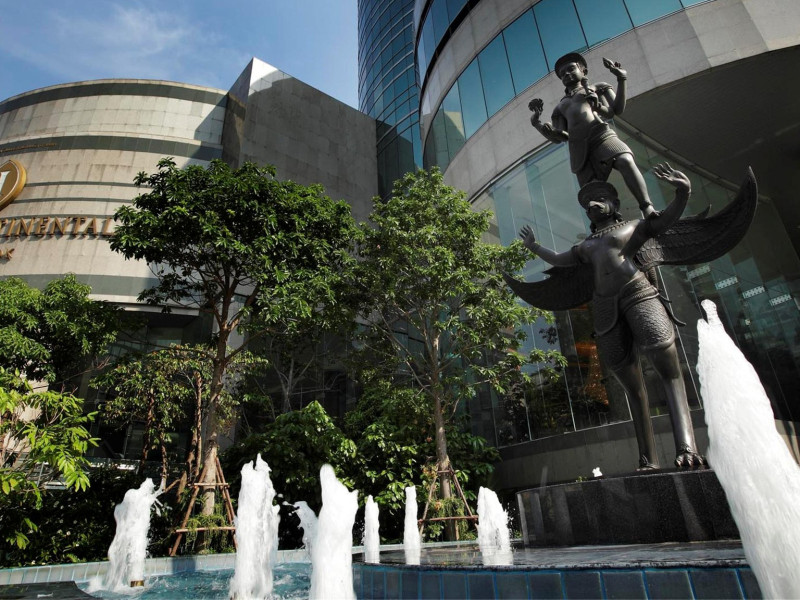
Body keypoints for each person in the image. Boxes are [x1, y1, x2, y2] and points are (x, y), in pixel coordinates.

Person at [519, 163, 704, 469]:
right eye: (588, 204)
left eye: (600, 199)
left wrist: (682, 192)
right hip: (606, 305)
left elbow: (665, 221)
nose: (593, 205)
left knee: (667, 366)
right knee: (631, 384)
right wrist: (534, 247)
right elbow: (559, 260)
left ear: (614, 204)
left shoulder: (633, 226)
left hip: (637, 293)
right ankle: (648, 459)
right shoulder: (586, 246)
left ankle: (686, 446)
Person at [529, 52, 656, 218]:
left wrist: (621, 78)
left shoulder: (597, 87)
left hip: (601, 135)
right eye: (562, 74)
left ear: (584, 71)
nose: (566, 74)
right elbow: (560, 137)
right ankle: (608, 222)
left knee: (625, 160)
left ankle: (647, 207)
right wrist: (539, 125)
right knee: (592, 193)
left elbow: (615, 110)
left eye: (571, 69)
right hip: (578, 148)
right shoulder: (560, 107)